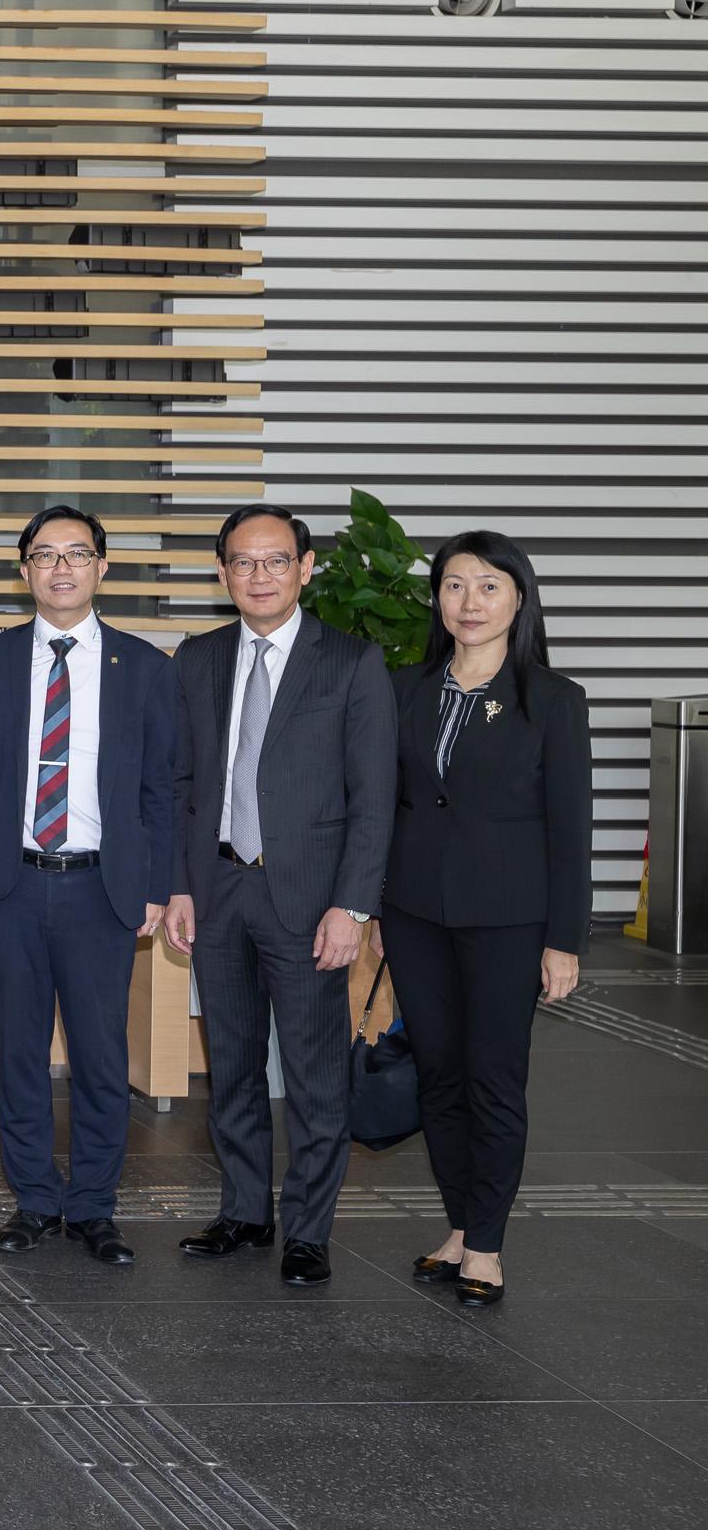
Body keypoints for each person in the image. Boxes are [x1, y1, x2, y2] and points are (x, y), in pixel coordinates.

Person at [165, 504, 395, 1289]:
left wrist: (353, 906)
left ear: (304, 568)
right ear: (222, 571)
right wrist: (180, 887)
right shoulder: (195, 659)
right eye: (241, 561)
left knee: (314, 1072)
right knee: (229, 1065)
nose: (257, 576)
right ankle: (243, 1211)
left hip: (310, 899)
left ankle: (308, 1230)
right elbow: (183, 785)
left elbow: (373, 798)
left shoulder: (351, 663)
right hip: (220, 889)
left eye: (274, 561)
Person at [0, 505, 178, 1268]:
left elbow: (159, 790)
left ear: (102, 568)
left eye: (77, 554)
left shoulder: (145, 667)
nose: (61, 568)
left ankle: (91, 1206)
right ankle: (33, 1202)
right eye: (44, 555)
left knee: (100, 1057)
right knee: (18, 1054)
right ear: (23, 571)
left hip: (100, 887)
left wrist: (156, 885)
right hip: (12, 883)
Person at [384, 531, 590, 1308]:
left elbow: (570, 829)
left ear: (519, 598)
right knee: (437, 1075)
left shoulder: (553, 700)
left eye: (488, 586)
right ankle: (460, 1225)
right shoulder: (406, 688)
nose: (469, 602)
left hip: (509, 919)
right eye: (454, 585)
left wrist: (564, 940)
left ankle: (489, 1245)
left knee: (494, 1079)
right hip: (414, 911)